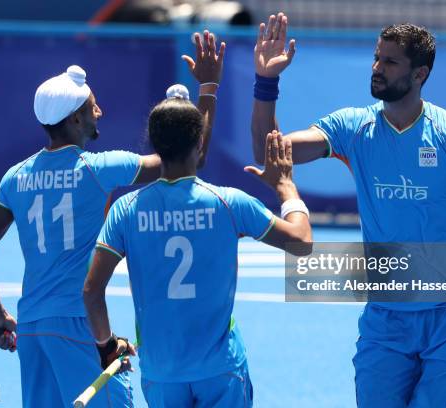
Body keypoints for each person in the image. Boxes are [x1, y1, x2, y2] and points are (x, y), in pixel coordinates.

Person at [250, 13, 446, 407]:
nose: (377, 68)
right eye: (377, 58)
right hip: (386, 319)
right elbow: (268, 154)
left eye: (390, 62)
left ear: (420, 74)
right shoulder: (353, 128)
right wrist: (266, 82)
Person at [0, 30, 224, 407]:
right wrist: (209, 87)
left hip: (34, 331)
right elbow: (190, 158)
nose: (99, 112)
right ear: (74, 120)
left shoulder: (15, 177)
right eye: (92, 107)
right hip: (75, 326)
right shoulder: (97, 169)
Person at [83, 97, 312, 406]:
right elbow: (301, 241)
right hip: (220, 370)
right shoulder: (229, 203)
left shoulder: (126, 209)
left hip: (162, 373)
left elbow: (92, 292)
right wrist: (285, 186)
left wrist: (106, 345)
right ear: (201, 141)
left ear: (153, 143)